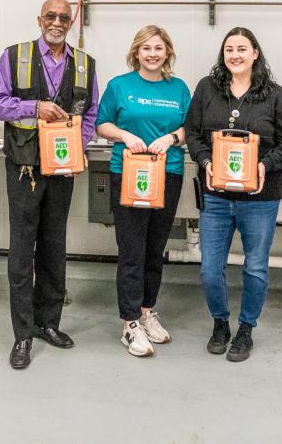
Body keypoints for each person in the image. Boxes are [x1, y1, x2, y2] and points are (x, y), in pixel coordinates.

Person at [0, 0, 98, 370]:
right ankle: (22, 334)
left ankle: (48, 323)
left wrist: (76, 148)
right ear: (39, 19)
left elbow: (91, 114)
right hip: (23, 168)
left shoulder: (84, 64)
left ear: (71, 22)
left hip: (62, 171)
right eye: (51, 15)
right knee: (22, 251)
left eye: (64, 17)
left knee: (54, 247)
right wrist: (35, 108)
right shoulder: (14, 56)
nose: (57, 21)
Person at [184, 26, 282, 362]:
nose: (235, 55)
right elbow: (192, 133)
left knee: (256, 268)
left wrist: (264, 164)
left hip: (259, 201)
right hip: (216, 198)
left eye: (242, 49)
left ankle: (246, 329)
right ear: (224, 54)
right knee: (209, 268)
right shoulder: (207, 89)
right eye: (229, 49)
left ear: (255, 54)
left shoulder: (275, 95)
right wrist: (205, 159)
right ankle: (220, 323)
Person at [96, 25, 191, 358]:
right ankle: (129, 322)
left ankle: (148, 311)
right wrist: (123, 136)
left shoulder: (178, 88)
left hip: (168, 175)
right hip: (130, 176)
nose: (153, 53)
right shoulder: (119, 86)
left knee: (155, 248)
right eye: (146, 48)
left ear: (167, 53)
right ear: (136, 52)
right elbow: (101, 123)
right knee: (132, 248)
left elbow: (190, 127)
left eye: (159, 48)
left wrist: (171, 139)